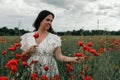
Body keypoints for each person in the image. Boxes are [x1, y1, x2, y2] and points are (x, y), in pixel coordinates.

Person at [20, 10, 83, 79]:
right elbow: (22, 56)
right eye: (47, 20)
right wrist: (28, 51)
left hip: (49, 68)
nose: (49, 23)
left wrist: (74, 59)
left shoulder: (54, 38)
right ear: (40, 20)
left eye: (51, 21)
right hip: (32, 67)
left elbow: (59, 57)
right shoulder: (28, 36)